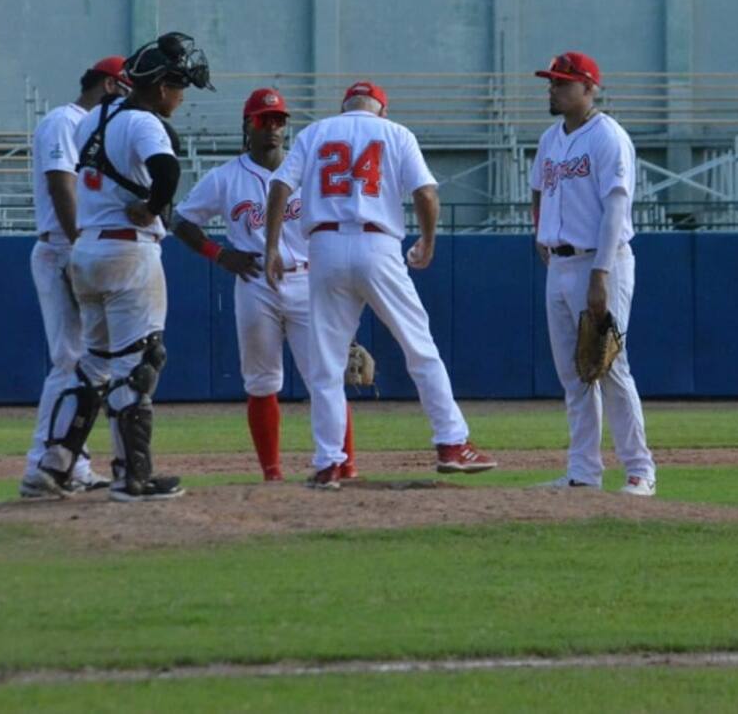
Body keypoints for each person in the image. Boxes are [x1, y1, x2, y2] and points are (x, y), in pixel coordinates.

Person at [263, 80, 497, 489]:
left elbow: (280, 186)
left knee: (326, 365)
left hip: (324, 246)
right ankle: (451, 444)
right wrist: (427, 239)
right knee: (419, 348)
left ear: (345, 106)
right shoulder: (395, 132)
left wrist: (270, 249)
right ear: (381, 110)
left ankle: (328, 463)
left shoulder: (316, 131)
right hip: (378, 244)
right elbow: (426, 194)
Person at [33, 32, 213, 502]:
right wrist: (153, 207)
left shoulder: (93, 117)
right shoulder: (145, 122)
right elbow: (168, 174)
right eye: (178, 88)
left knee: (92, 364)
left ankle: (51, 465)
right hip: (128, 251)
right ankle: (132, 478)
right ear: (159, 87)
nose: (180, 97)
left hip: (87, 249)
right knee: (141, 362)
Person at [171, 88, 356, 482]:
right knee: (261, 381)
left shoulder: (309, 172)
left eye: (278, 121)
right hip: (255, 283)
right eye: (263, 120)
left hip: (308, 280)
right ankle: (272, 474)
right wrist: (219, 255)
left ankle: (346, 465)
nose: (272, 128)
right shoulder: (224, 178)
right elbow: (181, 220)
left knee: (326, 377)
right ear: (247, 126)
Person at [530, 52, 657, 496]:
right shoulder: (550, 139)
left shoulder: (609, 138)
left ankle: (640, 470)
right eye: (552, 82)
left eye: (563, 83)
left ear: (589, 89)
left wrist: (600, 274)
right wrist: (539, 234)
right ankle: (583, 472)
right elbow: (538, 189)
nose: (553, 89)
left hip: (602, 262)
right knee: (573, 373)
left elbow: (616, 207)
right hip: (560, 263)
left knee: (609, 366)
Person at [18, 57, 129, 499]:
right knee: (70, 359)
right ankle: (41, 465)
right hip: (63, 246)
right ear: (107, 84)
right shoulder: (66, 120)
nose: (128, 96)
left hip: (76, 246)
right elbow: (62, 183)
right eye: (123, 87)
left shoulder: (97, 127)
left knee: (85, 361)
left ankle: (71, 462)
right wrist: (78, 243)